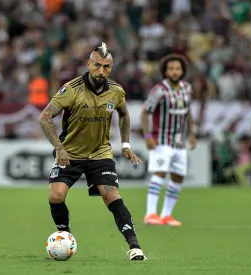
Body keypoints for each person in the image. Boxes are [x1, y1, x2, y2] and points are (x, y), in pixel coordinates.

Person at [38, 42, 147, 260]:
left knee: (111, 195)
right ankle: (65, 236)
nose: (101, 71)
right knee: (56, 196)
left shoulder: (116, 91)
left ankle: (135, 247)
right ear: (88, 64)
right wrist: (59, 148)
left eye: (107, 67)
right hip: (70, 152)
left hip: (100, 153)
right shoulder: (71, 89)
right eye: (97, 65)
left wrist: (125, 144)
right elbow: (45, 117)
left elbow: (124, 114)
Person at [141, 53, 197, 226]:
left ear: (182, 71)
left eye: (177, 68)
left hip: (179, 142)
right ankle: (150, 214)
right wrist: (148, 135)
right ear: (165, 71)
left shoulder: (187, 88)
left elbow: (187, 113)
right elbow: (145, 112)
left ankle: (166, 215)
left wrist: (191, 134)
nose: (174, 72)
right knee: (159, 173)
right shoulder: (159, 90)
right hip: (161, 140)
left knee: (178, 177)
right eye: (171, 68)